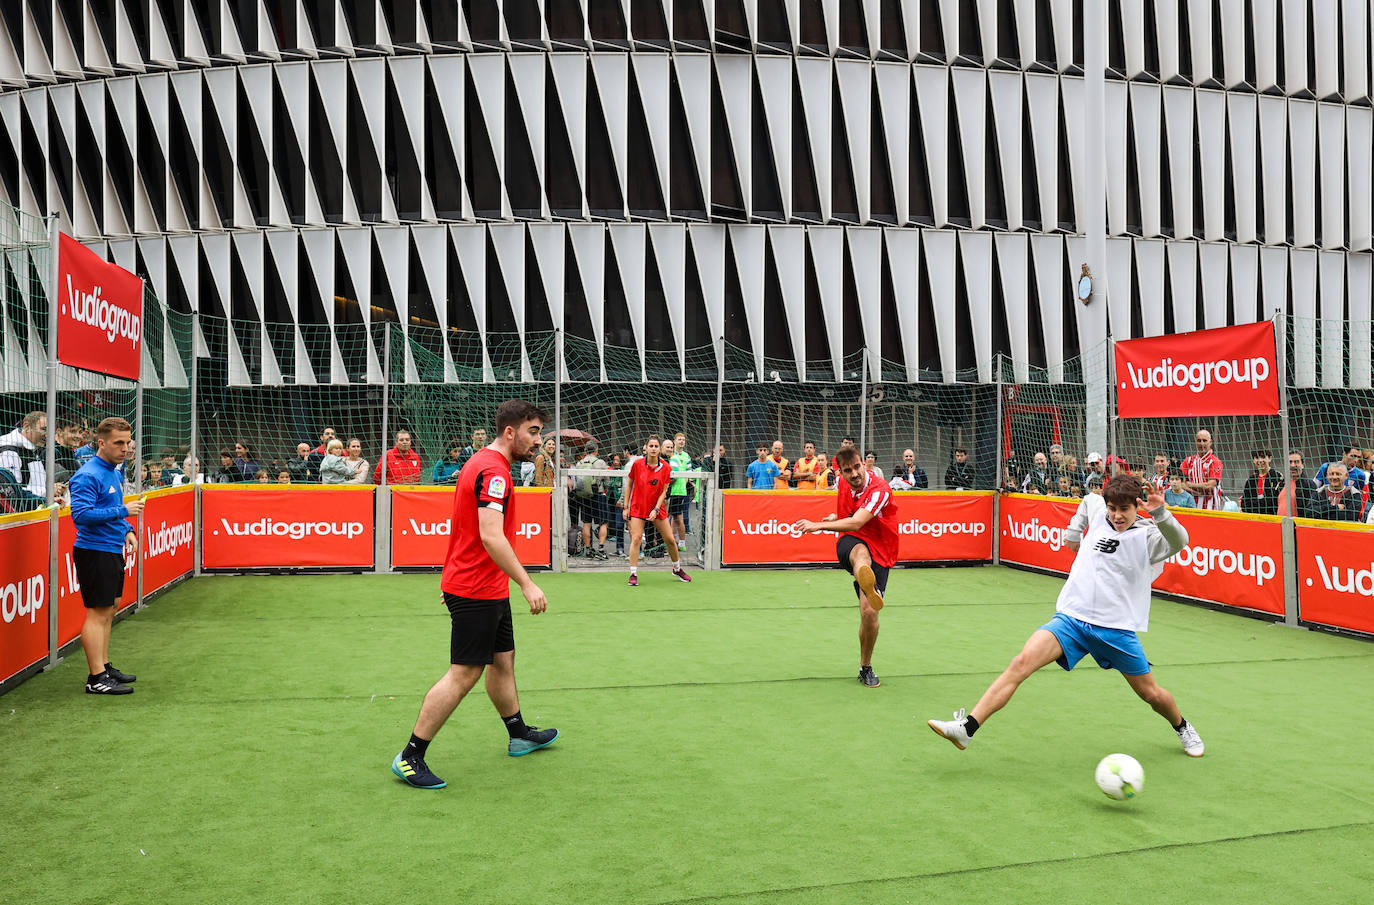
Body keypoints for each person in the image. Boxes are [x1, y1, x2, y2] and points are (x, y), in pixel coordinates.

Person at [927, 474, 1204, 759]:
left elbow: (1180, 540)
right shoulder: (1099, 513)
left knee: (1151, 695)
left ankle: (1182, 726)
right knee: (1020, 663)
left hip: (1115, 629)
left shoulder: (1148, 537)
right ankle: (967, 728)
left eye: (1124, 509)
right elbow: (1088, 502)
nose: (1117, 515)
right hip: (1072, 618)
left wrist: (1160, 511)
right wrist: (1074, 533)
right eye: (1113, 508)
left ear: (1137, 506)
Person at [390, 400, 559, 790]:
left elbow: (464, 528)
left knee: (503, 661)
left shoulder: (485, 463)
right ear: (510, 432)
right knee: (464, 673)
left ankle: (518, 734)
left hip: (483, 584)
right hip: (476, 588)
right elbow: (489, 533)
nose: (538, 441)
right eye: (533, 432)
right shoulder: (492, 471)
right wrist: (527, 583)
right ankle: (410, 756)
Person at [792, 446, 900, 689]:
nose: (854, 474)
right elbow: (852, 519)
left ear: (864, 464)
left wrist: (819, 524)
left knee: (869, 613)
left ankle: (865, 666)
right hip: (851, 542)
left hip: (882, 548)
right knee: (860, 553)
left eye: (858, 467)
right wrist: (834, 517)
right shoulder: (842, 483)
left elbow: (859, 520)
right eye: (848, 470)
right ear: (841, 472)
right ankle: (863, 574)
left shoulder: (880, 489)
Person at [68, 417, 145, 696]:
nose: (125, 448)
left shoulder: (113, 470)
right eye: (118, 443)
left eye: (127, 442)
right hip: (94, 551)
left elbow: (110, 505)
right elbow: (81, 516)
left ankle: (103, 666)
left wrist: (126, 530)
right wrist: (124, 513)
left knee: (110, 608)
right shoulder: (88, 474)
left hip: (111, 548)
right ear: (101, 443)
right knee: (97, 612)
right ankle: (96, 677)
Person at [623, 435, 692, 587]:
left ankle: (677, 568)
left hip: (657, 508)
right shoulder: (637, 464)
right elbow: (629, 486)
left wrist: (655, 509)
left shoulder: (666, 468)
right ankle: (633, 573)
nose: (653, 449)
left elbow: (664, 490)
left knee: (670, 540)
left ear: (660, 449)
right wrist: (625, 506)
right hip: (637, 507)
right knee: (636, 539)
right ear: (645, 448)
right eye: (651, 446)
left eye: (656, 446)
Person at [0, 411, 53, 503]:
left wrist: (49, 490)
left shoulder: (31, 448)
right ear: (26, 426)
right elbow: (13, 493)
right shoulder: (9, 451)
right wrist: (45, 499)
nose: (47, 435)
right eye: (44, 429)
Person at [571, 442, 611, 560]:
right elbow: (607, 481)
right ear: (596, 450)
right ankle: (601, 549)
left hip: (584, 496)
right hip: (598, 495)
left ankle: (588, 549)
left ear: (585, 450)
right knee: (603, 522)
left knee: (586, 523)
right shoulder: (600, 462)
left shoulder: (579, 463)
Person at [1180, 429, 1224, 510]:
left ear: (1210, 442)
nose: (1202, 443)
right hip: (1190, 504)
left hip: (1211, 506)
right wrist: (1196, 492)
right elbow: (1180, 483)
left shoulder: (1215, 461)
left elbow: (1210, 485)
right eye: (1199, 441)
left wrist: (1189, 484)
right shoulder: (1188, 461)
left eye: (1204, 440)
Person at [667, 435, 694, 547]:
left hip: (679, 490)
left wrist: (683, 484)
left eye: (683, 440)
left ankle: (682, 543)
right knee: (674, 516)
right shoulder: (671, 454)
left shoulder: (686, 456)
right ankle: (674, 540)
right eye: (679, 439)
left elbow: (689, 473)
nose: (682, 441)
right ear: (675, 442)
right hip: (671, 490)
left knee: (679, 517)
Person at [1239, 449, 1279, 515]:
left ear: (1269, 458)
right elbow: (1244, 505)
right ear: (1253, 460)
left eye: (1263, 457)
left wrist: (1253, 504)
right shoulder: (1251, 480)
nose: (1260, 460)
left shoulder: (1277, 477)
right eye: (1257, 458)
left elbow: (1273, 503)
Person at [1277, 452, 1315, 519]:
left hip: (1296, 526)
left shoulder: (1308, 485)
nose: (1293, 465)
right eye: (1290, 462)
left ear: (1302, 465)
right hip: (1279, 525)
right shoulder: (1282, 483)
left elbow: (1311, 511)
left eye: (1296, 462)